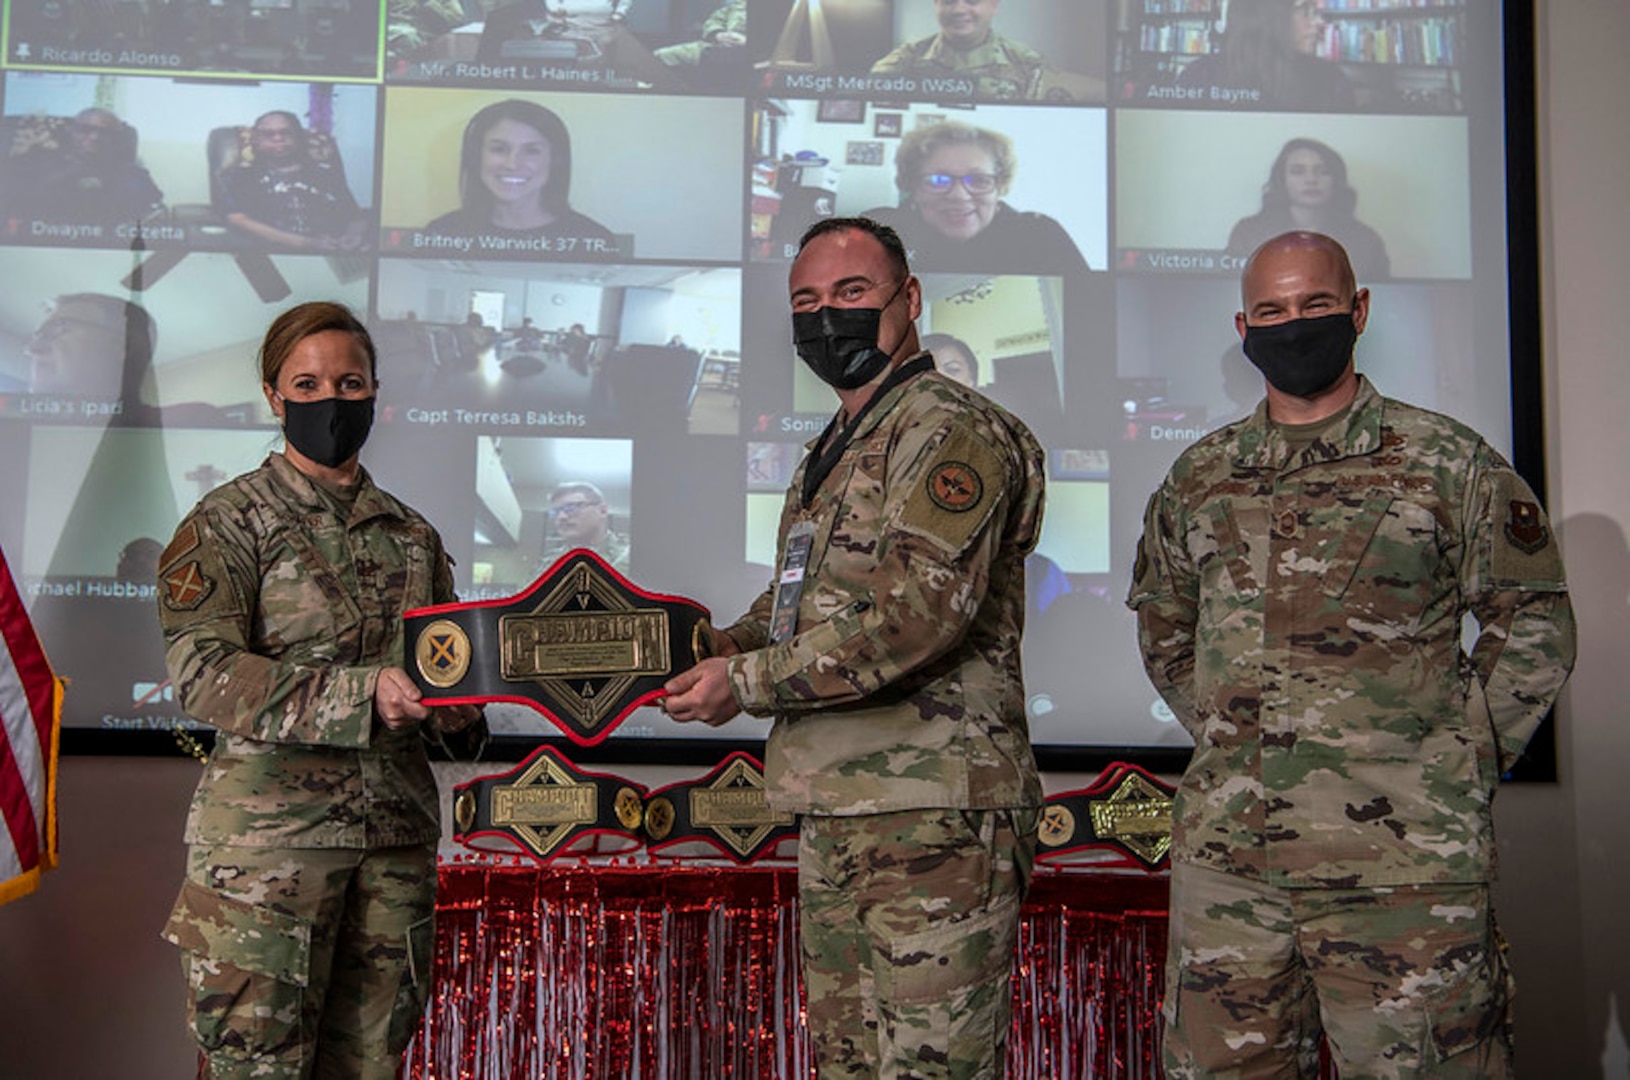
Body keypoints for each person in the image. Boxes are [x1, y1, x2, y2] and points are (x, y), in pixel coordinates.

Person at [1127, 231, 1575, 1078]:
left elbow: (1537, 626)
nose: (1293, 325)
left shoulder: (1448, 462)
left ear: (1358, 310)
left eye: (1315, 305)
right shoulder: (1201, 476)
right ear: (1243, 325)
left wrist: (1453, 756)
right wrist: (1240, 736)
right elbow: (1165, 626)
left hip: (1406, 868)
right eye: (1272, 311)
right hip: (1235, 869)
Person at [661, 217, 1046, 1077]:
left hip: (933, 809)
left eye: (851, 294)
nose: (826, 315)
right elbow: (806, 602)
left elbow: (917, 615)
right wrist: (723, 642)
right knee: (851, 1066)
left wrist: (746, 679)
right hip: (838, 806)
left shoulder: (953, 430)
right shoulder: (834, 446)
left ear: (909, 301)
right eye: (806, 300)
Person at [156, 301, 486, 1077]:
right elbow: (204, 673)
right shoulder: (226, 522)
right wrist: (365, 695)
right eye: (305, 383)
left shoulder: (413, 534)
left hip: (393, 846)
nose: (329, 399)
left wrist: (461, 712)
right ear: (273, 396)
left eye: (349, 380)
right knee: (258, 1067)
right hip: (269, 854)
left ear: (376, 392)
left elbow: (442, 673)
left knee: (374, 1066)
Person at [863, 120, 1088, 275]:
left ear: (999, 186)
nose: (959, 196)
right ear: (913, 185)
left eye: (979, 180)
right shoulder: (876, 232)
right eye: (938, 181)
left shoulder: (1040, 236)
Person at [424, 99, 616, 252]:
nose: (512, 164)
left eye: (532, 151)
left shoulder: (594, 240)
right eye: (499, 149)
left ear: (555, 160)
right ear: (476, 157)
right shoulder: (441, 233)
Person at [1226, 137, 1391, 282]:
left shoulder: (1365, 240)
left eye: (1323, 172)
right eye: (1298, 172)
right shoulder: (1249, 232)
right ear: (1282, 180)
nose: (1311, 180)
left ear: (1336, 181)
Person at [870, 0, 1099, 102]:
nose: (959, 9)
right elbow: (868, 95)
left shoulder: (1027, 64)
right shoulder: (907, 58)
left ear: (994, 5)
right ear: (936, 5)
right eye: (948, 1)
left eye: (972, 1)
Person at [218, 110, 369, 253]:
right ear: (256, 140)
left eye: (286, 133)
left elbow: (355, 217)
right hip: (272, 251)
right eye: (268, 134)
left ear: (298, 137)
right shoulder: (242, 176)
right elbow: (237, 219)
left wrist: (353, 236)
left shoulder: (325, 173)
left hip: (330, 248)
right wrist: (305, 243)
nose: (278, 139)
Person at [1175, 0, 1356, 111]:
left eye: (1315, 11)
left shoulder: (1329, 80)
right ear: (1263, 14)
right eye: (1305, 9)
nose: (1319, 22)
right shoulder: (1200, 75)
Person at [0, 106, 164, 225]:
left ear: (115, 138)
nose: (94, 137)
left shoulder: (128, 171)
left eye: (104, 133)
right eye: (85, 130)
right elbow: (15, 201)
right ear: (71, 131)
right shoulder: (39, 161)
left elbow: (150, 206)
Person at [538, 480, 629, 574]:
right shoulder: (550, 564)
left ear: (602, 511)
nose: (561, 517)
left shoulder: (629, 558)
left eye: (571, 508)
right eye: (555, 512)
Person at [653, 0, 746, 66]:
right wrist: (718, 34)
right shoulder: (740, 3)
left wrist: (746, 41)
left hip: (748, 54)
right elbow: (714, 21)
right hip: (716, 46)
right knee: (661, 56)